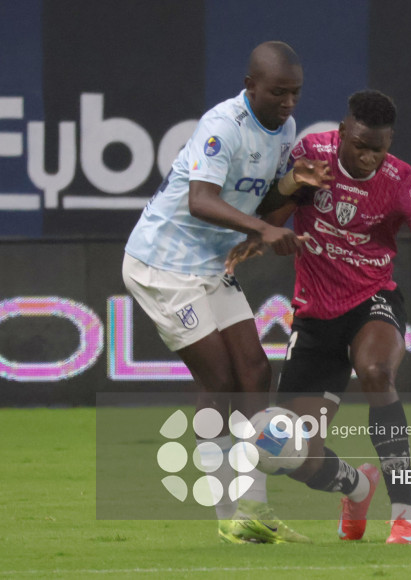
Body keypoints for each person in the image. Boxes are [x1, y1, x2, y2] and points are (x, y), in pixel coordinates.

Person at [226, 89, 411, 544]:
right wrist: (289, 191)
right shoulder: (310, 156)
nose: (368, 158)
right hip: (315, 319)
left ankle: (403, 515)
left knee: (376, 373)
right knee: (289, 453)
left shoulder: (401, 180)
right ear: (341, 133)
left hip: (371, 302)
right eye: (359, 146)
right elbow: (270, 217)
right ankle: (357, 488)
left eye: (379, 148)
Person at [122, 41, 331, 544]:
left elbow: (264, 201)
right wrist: (262, 231)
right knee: (218, 378)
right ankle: (226, 515)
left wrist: (293, 185)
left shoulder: (285, 129)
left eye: (296, 93)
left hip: (211, 263)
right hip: (163, 265)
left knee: (255, 371)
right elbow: (200, 200)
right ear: (250, 86)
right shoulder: (223, 126)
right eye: (278, 92)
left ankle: (255, 507)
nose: (288, 102)